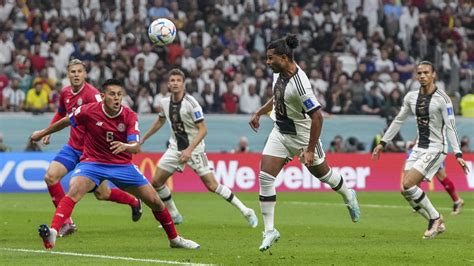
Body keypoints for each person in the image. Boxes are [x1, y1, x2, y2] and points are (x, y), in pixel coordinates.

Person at [30, 79, 199, 250]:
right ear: (103, 96)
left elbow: (136, 145)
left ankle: (174, 239)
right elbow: (66, 120)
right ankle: (53, 231)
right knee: (74, 189)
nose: (117, 98)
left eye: (119, 94)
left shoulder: (129, 115)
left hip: (122, 165)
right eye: (112, 94)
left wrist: (127, 146)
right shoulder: (88, 111)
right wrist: (42, 133)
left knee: (156, 201)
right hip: (93, 163)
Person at [249, 35, 360, 252]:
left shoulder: (301, 85)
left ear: (284, 57)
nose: (267, 62)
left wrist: (309, 149)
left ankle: (348, 193)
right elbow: (277, 97)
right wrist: (260, 112)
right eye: (267, 58)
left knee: (324, 175)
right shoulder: (279, 73)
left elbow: (318, 117)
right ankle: (270, 231)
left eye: (271, 59)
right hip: (281, 132)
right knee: (265, 177)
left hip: (302, 136)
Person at [141, 68, 258, 228]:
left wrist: (189, 150)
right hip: (175, 148)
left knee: (212, 185)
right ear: (168, 84)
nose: (175, 83)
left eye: (178, 80)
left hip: (195, 150)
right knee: (156, 181)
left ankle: (246, 210)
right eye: (172, 80)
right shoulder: (164, 102)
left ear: (183, 84)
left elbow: (203, 129)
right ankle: (174, 215)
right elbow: (160, 121)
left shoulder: (192, 104)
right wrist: (142, 140)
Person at [40, 59, 141, 238]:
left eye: (80, 71)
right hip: (73, 147)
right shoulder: (65, 92)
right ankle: (66, 222)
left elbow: (105, 119)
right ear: (68, 74)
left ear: (85, 74)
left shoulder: (93, 95)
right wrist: (48, 130)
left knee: (103, 194)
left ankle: (133, 201)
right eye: (73, 72)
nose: (76, 75)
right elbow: (61, 113)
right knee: (50, 177)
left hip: (92, 152)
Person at [372, 61, 469, 239]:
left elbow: (450, 127)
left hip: (436, 148)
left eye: (426, 73)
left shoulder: (443, 99)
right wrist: (383, 142)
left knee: (409, 184)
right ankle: (436, 222)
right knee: (405, 189)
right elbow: (399, 120)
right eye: (419, 73)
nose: (422, 76)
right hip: (419, 148)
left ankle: (435, 217)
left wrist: (458, 154)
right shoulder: (411, 97)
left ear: (434, 75)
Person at [406, 141, 464, 215]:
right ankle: (419, 202)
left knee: (441, 176)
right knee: (417, 174)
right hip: (423, 149)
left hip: (435, 150)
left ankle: (457, 201)